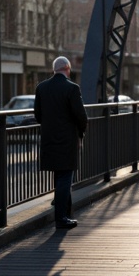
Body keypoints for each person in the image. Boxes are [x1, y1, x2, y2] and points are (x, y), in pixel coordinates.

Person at [34, 56, 87, 231]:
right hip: (67, 140)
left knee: (59, 175)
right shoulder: (72, 88)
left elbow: (37, 115)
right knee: (65, 175)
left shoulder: (41, 87)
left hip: (49, 138)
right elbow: (81, 115)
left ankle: (66, 211)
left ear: (54, 70)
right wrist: (80, 133)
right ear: (67, 68)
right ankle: (61, 218)